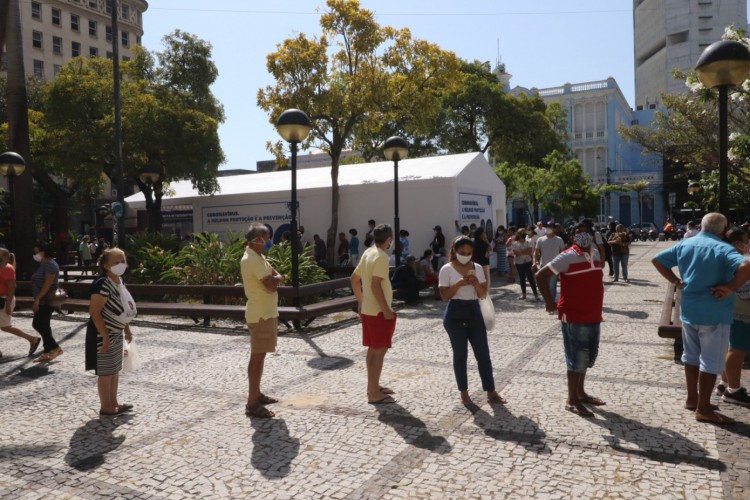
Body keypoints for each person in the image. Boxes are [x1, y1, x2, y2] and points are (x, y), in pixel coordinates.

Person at [652, 212, 750, 425]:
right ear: (724, 231)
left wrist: (676, 281)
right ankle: (703, 408)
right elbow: (746, 267)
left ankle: (692, 399)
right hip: (715, 312)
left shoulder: (686, 244)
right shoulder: (723, 248)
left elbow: (658, 260)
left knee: (691, 356)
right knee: (711, 360)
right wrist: (730, 288)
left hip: (689, 310)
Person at [535, 227, 606, 417]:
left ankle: (581, 393)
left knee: (588, 356)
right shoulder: (566, 257)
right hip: (574, 316)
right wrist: (550, 302)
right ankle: (571, 399)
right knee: (576, 357)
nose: (584, 238)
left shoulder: (596, 253)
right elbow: (540, 276)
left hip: (593, 314)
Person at [439, 236, 505, 407]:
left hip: (475, 312)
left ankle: (491, 391)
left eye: (469, 253)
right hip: (455, 313)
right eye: (462, 253)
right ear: (454, 251)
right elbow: (444, 296)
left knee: (483, 354)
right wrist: (459, 284)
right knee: (460, 355)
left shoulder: (477, 267)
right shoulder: (446, 269)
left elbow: (483, 294)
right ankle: (464, 393)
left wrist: (476, 283)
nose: (466, 256)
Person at [85, 248, 137, 416]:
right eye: (116, 262)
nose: (121, 265)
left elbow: (124, 307)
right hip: (103, 334)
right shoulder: (102, 284)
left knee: (114, 369)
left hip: (116, 332)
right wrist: (105, 336)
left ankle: (113, 402)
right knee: (106, 371)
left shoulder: (119, 281)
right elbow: (94, 312)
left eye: (123, 261)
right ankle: (105, 406)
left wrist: (127, 328)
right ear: (106, 265)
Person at [241, 223, 284, 418]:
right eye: (267, 237)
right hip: (260, 314)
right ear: (258, 240)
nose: (268, 241)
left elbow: (272, 273)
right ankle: (251, 403)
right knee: (257, 357)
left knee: (260, 356)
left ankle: (256, 394)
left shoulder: (258, 257)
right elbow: (271, 286)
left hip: (265, 312)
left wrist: (276, 276)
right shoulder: (252, 259)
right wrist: (278, 278)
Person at [351, 224, 397, 405]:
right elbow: (375, 285)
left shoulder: (368, 252)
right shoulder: (382, 257)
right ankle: (373, 393)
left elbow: (354, 280)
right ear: (389, 240)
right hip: (378, 312)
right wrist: (386, 310)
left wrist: (361, 302)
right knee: (379, 351)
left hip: (369, 309)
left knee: (373, 350)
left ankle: (373, 386)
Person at [716, 229, 750, 406]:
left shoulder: (724, 255)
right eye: (745, 240)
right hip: (741, 312)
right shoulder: (738, 260)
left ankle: (725, 383)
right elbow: (745, 291)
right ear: (737, 242)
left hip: (728, 309)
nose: (747, 243)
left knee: (730, 347)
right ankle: (733, 390)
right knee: (737, 349)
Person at [0, 248, 40, 356]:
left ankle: (32, 339)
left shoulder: (7, 269)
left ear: (5, 257)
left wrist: (8, 304)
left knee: (6, 327)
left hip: (4, 300)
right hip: (2, 299)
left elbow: (12, 287)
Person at [30, 242, 63, 363]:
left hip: (47, 301)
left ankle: (54, 347)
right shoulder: (43, 264)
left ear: (43, 252)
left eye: (36, 252)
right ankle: (48, 351)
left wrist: (38, 299)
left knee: (38, 324)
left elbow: (48, 284)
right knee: (44, 326)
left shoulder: (50, 265)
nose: (34, 254)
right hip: (43, 300)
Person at [533, 222, 565, 302]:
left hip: (555, 267)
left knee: (552, 286)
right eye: (547, 226)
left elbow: (563, 253)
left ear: (554, 229)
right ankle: (548, 302)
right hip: (543, 266)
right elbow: (536, 252)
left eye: (550, 227)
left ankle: (551, 303)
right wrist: (534, 262)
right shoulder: (540, 239)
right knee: (544, 286)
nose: (548, 228)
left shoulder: (559, 240)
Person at [512, 228, 538, 300]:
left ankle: (536, 295)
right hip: (519, 263)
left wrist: (521, 252)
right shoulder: (515, 243)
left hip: (528, 262)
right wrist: (524, 251)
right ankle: (524, 294)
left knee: (530, 277)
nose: (523, 234)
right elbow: (516, 253)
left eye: (523, 232)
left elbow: (529, 251)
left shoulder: (529, 242)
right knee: (522, 278)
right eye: (521, 232)